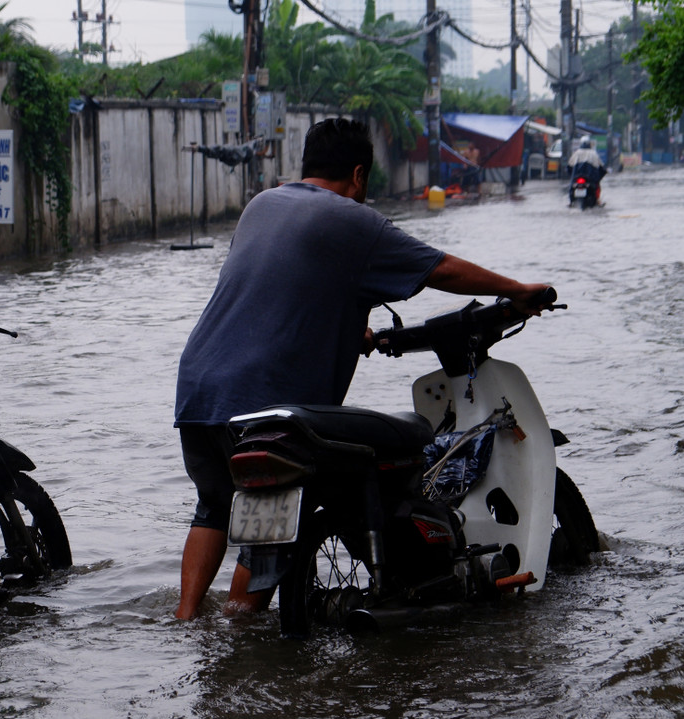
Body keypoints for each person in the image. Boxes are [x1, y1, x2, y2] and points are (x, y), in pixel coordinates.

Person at [173, 118, 551, 621]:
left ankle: (187, 621)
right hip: (266, 405)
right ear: (358, 175)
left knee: (214, 508)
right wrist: (518, 290)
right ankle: (236, 633)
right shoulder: (353, 221)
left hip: (199, 390)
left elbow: (285, 295)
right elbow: (440, 268)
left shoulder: (262, 205)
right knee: (270, 531)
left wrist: (363, 335)